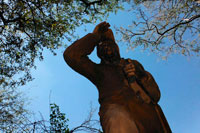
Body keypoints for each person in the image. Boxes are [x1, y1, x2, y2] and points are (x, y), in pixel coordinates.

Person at [64, 22, 171, 133]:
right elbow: (71, 56)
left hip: (148, 117)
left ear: (116, 48)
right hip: (117, 117)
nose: (106, 47)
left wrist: (138, 76)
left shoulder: (133, 64)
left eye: (109, 44)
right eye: (102, 46)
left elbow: (155, 95)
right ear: (99, 53)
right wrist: (94, 36)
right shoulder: (98, 71)